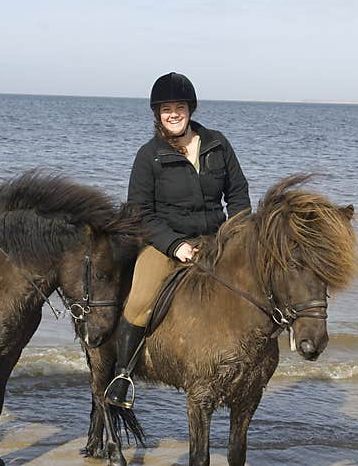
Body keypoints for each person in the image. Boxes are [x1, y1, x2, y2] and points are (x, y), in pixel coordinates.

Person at [104, 72, 251, 408]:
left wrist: (237, 234)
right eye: (166, 108)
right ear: (157, 113)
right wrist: (175, 245)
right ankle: (123, 375)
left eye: (179, 107)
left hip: (216, 239)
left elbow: (238, 194)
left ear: (190, 110)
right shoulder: (148, 155)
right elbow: (140, 213)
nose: (173, 113)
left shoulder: (217, 144)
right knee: (140, 299)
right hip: (165, 242)